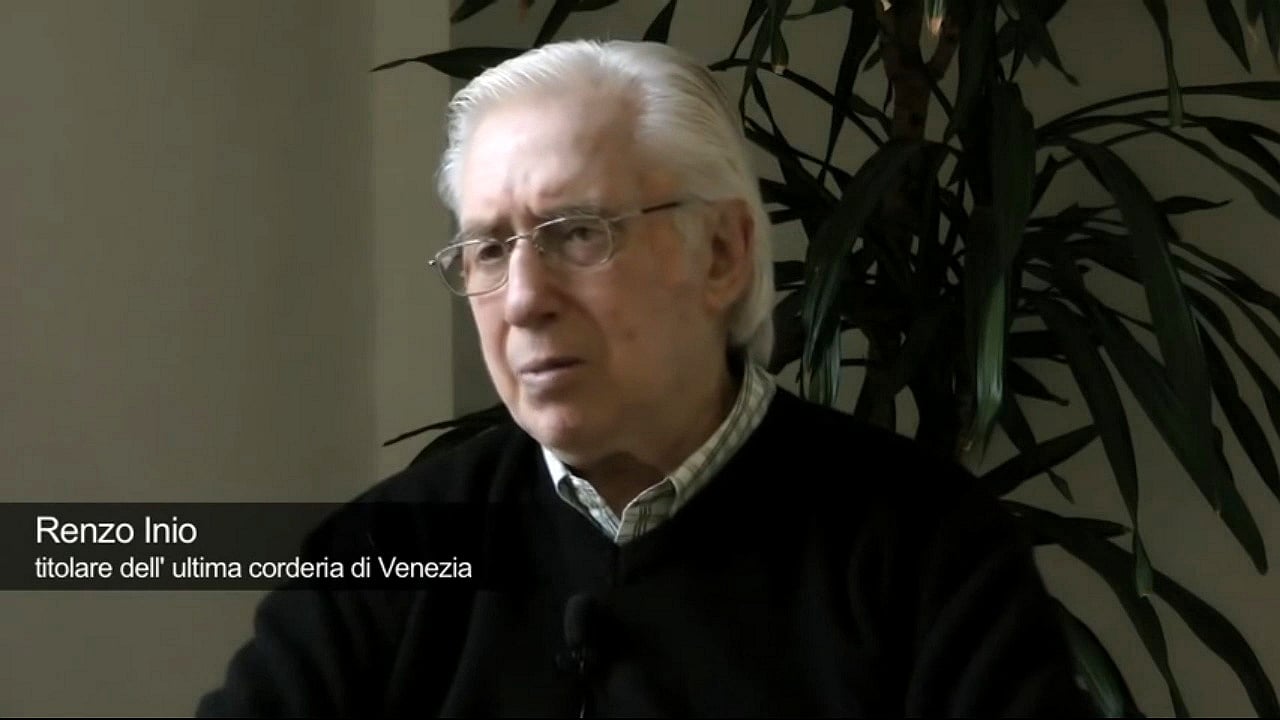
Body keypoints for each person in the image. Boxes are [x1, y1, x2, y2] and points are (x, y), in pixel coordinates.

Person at [198, 39, 1090, 717]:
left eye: (578, 233)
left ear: (723, 253)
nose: (524, 300)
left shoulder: (925, 550)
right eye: (489, 249)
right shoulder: (384, 555)